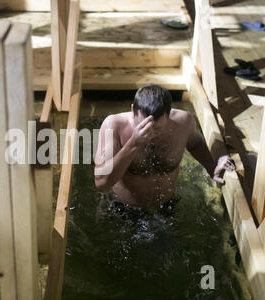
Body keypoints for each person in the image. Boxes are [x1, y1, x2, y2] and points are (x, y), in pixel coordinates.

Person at [94, 84, 235, 212]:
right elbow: (101, 183)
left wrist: (212, 168)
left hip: (166, 208)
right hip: (124, 209)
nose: (150, 133)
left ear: (169, 115)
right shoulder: (114, 125)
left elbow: (195, 144)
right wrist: (133, 143)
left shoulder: (183, 122)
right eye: (143, 126)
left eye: (157, 128)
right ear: (133, 111)